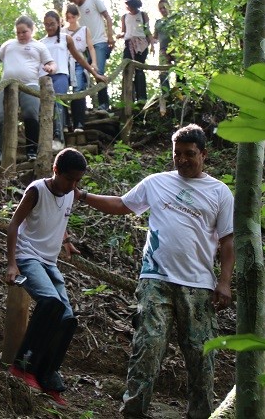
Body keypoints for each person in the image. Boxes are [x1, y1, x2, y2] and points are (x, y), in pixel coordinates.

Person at [77, 124, 235, 418]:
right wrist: (83, 196)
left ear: (204, 154)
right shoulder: (156, 183)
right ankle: (133, 411)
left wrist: (224, 282)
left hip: (198, 284)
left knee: (202, 356)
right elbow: (123, 204)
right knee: (147, 347)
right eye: (177, 154)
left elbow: (228, 241)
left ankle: (200, 414)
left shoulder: (220, 192)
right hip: (155, 279)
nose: (183, 159)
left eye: (190, 154)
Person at [5, 148, 87, 406]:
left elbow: (58, 218)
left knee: (67, 318)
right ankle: (23, 365)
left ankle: (46, 374)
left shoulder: (70, 192)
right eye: (69, 179)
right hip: (28, 257)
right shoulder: (37, 190)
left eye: (77, 181)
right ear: (55, 171)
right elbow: (13, 225)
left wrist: (66, 241)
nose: (73, 186)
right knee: (50, 303)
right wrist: (11, 264)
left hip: (50, 262)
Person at [0, 16, 56, 169]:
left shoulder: (39, 46)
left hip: (30, 85)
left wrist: (50, 68)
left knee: (30, 115)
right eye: (18, 32)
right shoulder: (9, 44)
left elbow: (50, 62)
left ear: (31, 30)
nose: (21, 35)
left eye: (24, 32)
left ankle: (31, 151)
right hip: (6, 85)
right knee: (4, 118)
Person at [40, 10, 106, 151]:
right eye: (46, 24)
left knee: (56, 101)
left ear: (59, 23)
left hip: (61, 76)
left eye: (52, 24)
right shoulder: (41, 42)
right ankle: (47, 139)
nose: (49, 27)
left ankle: (58, 138)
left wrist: (95, 73)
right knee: (45, 107)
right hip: (44, 78)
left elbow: (79, 58)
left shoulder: (66, 38)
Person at [63, 0, 115, 112]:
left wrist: (110, 36)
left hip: (99, 42)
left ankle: (104, 105)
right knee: (83, 75)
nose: (72, 0)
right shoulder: (75, 11)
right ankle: (83, 107)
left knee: (98, 71)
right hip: (84, 46)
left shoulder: (93, 0)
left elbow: (107, 16)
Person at [62, 4, 97, 133]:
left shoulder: (84, 30)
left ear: (77, 16)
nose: (70, 19)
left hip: (79, 61)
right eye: (68, 17)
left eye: (73, 16)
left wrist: (94, 62)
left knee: (79, 90)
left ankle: (79, 123)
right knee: (62, 90)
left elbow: (91, 47)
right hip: (65, 61)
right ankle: (65, 123)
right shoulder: (62, 31)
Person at [117, 0, 151, 104]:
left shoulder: (143, 15)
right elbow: (124, 31)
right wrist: (118, 36)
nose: (130, 7)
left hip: (141, 44)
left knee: (139, 69)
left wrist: (152, 45)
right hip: (128, 44)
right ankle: (128, 98)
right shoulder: (124, 17)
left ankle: (141, 98)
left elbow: (147, 31)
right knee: (127, 68)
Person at [151, 0, 177, 96]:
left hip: (176, 47)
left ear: (168, 7)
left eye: (164, 7)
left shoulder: (175, 18)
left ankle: (181, 91)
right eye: (160, 8)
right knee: (163, 71)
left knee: (179, 70)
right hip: (163, 49)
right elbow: (155, 37)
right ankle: (166, 94)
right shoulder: (158, 22)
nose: (162, 10)